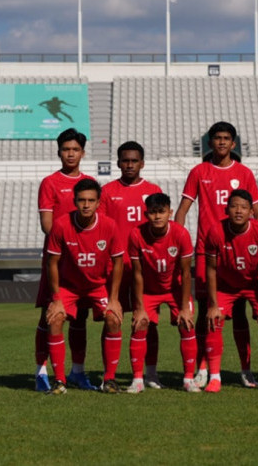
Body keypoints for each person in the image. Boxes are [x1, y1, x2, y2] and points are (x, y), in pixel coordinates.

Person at [174, 121, 258, 388]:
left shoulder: (244, 173)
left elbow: (256, 212)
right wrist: (178, 240)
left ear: (233, 143)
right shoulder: (199, 171)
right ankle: (204, 366)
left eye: (226, 138)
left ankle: (245, 369)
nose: (222, 142)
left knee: (239, 311)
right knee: (206, 311)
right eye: (217, 138)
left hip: (240, 252)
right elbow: (182, 209)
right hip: (207, 251)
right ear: (210, 143)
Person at [44, 179, 125, 394]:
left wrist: (115, 299)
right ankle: (60, 381)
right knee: (54, 319)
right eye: (81, 200)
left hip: (97, 286)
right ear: (74, 201)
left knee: (114, 318)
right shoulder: (61, 225)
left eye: (91, 200)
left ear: (99, 203)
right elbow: (51, 262)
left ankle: (109, 380)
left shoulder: (109, 225)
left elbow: (118, 262)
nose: (86, 205)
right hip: (69, 286)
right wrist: (56, 299)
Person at [34, 128, 96, 392]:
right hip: (58, 261)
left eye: (75, 149)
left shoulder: (91, 183)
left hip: (84, 262)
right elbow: (47, 225)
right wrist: (70, 242)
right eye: (65, 149)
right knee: (49, 316)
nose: (70, 154)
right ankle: (41, 372)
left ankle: (77, 372)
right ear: (59, 151)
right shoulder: (50, 183)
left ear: (83, 152)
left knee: (79, 318)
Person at [100, 141, 164, 389]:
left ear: (142, 163)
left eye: (134, 160)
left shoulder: (153, 190)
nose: (129, 165)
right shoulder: (107, 192)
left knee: (149, 322)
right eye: (125, 160)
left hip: (145, 269)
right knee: (113, 319)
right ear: (118, 163)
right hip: (116, 267)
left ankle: (150, 373)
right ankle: (110, 375)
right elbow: (104, 230)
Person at [204, 190, 258, 393]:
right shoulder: (215, 231)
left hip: (255, 284)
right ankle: (214, 377)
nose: (239, 211)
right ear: (226, 209)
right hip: (226, 285)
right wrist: (212, 305)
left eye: (244, 207)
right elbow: (210, 269)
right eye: (234, 206)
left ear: (251, 211)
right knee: (214, 319)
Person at [125, 193, 200, 393]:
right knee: (140, 326)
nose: (157, 216)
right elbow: (137, 274)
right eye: (153, 213)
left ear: (170, 213)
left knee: (187, 324)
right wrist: (139, 308)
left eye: (161, 212)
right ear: (145, 214)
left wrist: (184, 307)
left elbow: (185, 274)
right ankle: (140, 379)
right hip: (149, 290)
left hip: (175, 290)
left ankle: (188, 379)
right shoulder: (136, 235)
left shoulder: (181, 234)